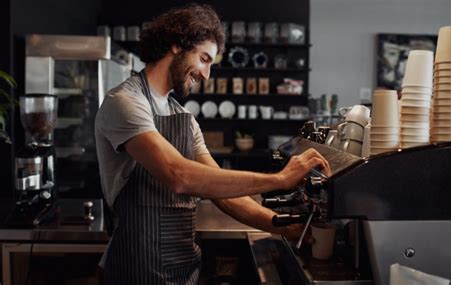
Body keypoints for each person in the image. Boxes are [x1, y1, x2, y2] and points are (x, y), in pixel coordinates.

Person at [95, 4, 331, 284]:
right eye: (204, 59)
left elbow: (220, 190)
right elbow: (178, 175)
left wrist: (280, 226)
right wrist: (280, 179)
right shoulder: (125, 102)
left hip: (183, 269)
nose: (206, 75)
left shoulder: (183, 118)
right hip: (136, 270)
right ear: (177, 45)